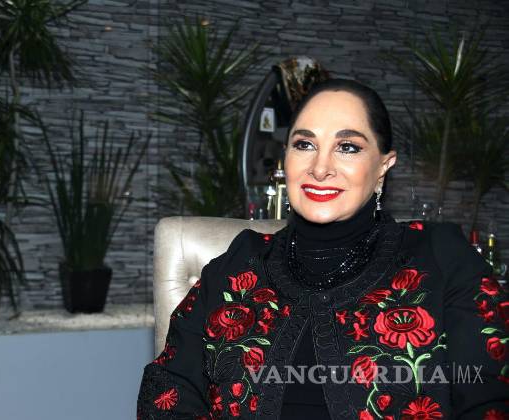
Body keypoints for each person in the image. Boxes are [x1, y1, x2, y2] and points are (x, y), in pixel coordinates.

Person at [137, 78, 508, 419]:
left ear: (383, 166)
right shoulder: (238, 264)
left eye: (347, 147)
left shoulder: (441, 257)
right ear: (286, 157)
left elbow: (490, 396)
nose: (320, 167)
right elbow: (168, 391)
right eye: (305, 144)